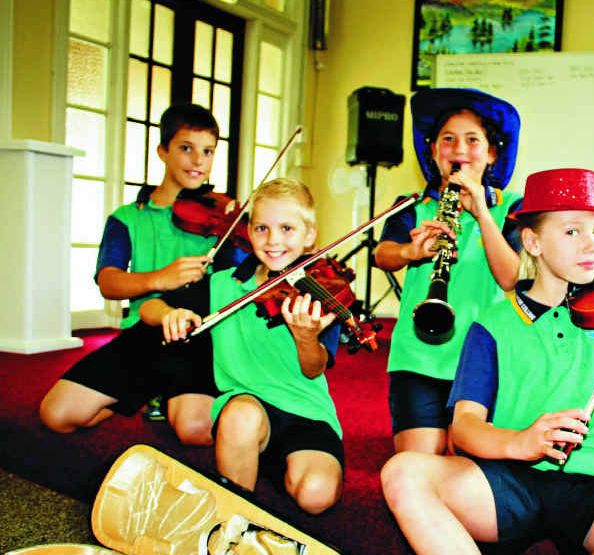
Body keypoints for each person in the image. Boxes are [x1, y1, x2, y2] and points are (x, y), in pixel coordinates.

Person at [382, 168, 594, 555]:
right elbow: (464, 428)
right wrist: (522, 442)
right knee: (403, 472)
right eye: (572, 230)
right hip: (511, 480)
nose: (591, 244)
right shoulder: (493, 324)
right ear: (533, 243)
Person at [141, 178, 345, 515]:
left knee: (316, 497)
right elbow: (151, 307)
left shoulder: (319, 293)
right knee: (240, 415)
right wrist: (171, 313)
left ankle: (260, 458)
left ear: (310, 236)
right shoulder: (224, 283)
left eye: (287, 228)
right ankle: (235, 514)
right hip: (247, 406)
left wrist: (306, 337)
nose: (273, 240)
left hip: (306, 411)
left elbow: (314, 368)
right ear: (248, 232)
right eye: (262, 227)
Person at [39, 103, 237, 446]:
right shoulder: (127, 218)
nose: (198, 161)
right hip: (143, 335)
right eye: (186, 148)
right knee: (56, 415)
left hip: (198, 337)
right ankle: (144, 392)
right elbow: (108, 282)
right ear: (162, 151)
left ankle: (166, 393)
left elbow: (239, 280)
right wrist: (161, 278)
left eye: (208, 151)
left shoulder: (223, 217)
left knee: (194, 430)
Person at [375, 88, 523, 455]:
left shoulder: (514, 208)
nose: (459, 149)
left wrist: (482, 214)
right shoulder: (412, 205)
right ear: (434, 151)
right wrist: (412, 251)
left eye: (473, 140)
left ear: (492, 153)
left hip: (482, 354)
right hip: (418, 354)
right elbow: (383, 255)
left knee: (466, 463)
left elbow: (512, 278)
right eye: (448, 140)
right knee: (418, 462)